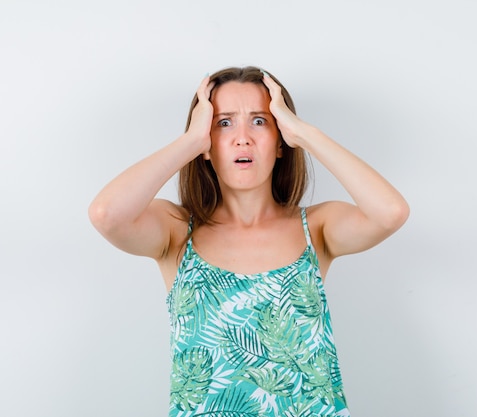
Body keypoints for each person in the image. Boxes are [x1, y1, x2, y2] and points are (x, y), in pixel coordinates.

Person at [89, 66, 409, 417]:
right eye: (224, 123)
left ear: (281, 141)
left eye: (259, 121)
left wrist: (304, 133)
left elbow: (390, 212)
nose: (243, 137)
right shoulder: (177, 232)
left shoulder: (315, 228)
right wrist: (190, 143)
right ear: (207, 143)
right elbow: (107, 214)